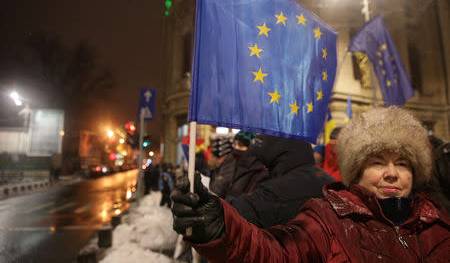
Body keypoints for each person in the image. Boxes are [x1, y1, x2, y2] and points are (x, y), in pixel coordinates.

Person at [171, 107, 450, 262]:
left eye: (402, 164)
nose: (392, 173)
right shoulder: (328, 219)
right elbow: (274, 253)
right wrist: (223, 227)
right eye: (377, 162)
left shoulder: (438, 224)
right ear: (356, 171)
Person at [226, 134, 335, 228]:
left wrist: (214, 202)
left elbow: (237, 213)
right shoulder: (328, 180)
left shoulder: (277, 190)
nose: (264, 167)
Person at [224, 131, 269, 199]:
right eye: (235, 144)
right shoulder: (236, 165)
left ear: (251, 148)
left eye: (240, 145)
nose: (236, 148)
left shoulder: (259, 173)